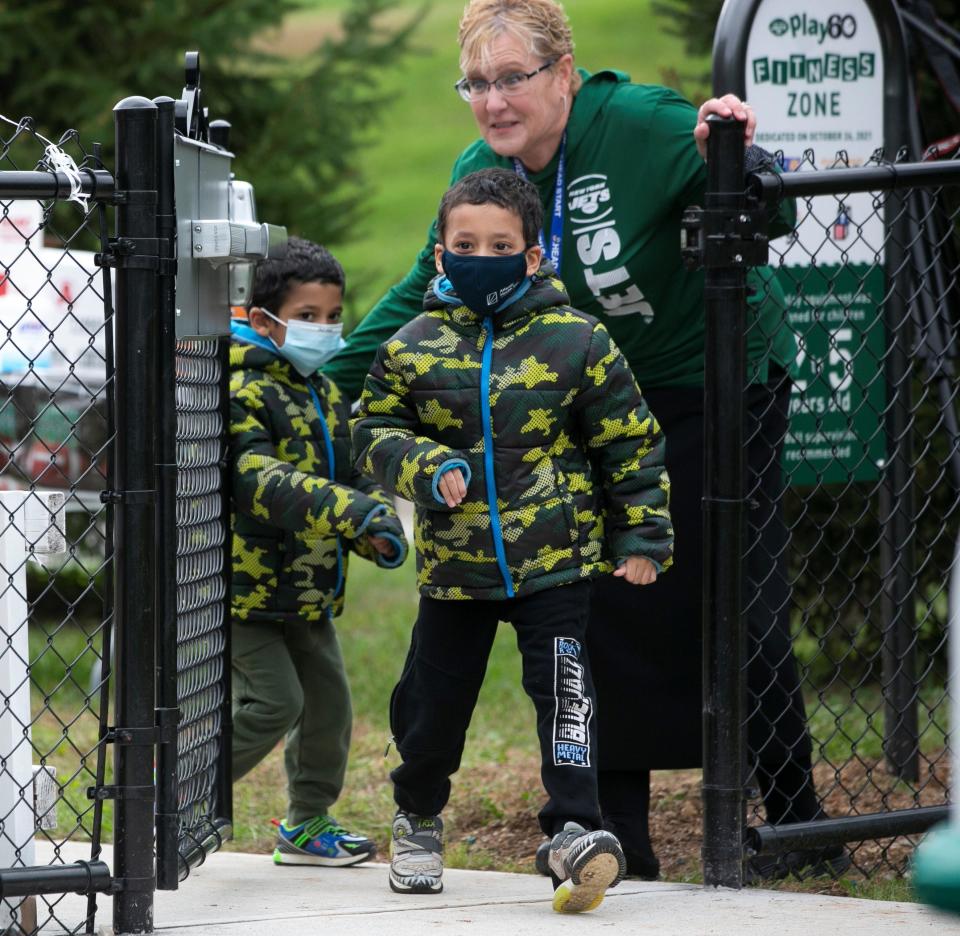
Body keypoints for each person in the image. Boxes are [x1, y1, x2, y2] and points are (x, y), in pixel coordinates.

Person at [326, 0, 843, 882]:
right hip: (593, 400)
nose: (492, 101)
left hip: (716, 381)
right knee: (600, 600)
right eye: (477, 83)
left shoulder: (636, 120)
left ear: (564, 74)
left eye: (512, 78)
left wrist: (733, 150)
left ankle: (798, 823)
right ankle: (616, 837)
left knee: (735, 594)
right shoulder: (481, 171)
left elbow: (769, 208)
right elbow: (424, 291)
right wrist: (320, 380)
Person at [351, 168, 674, 911]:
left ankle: (572, 831)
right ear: (441, 254)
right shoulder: (412, 346)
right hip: (454, 572)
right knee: (431, 709)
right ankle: (419, 816)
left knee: (566, 699)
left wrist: (643, 537)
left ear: (532, 256)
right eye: (464, 243)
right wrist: (425, 466)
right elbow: (370, 431)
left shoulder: (578, 339)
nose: (480, 255)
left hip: (553, 567)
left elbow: (630, 442)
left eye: (499, 244)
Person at [229, 237, 408, 868]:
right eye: (308, 317)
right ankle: (177, 795)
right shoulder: (243, 389)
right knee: (277, 701)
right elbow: (252, 476)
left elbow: (348, 470)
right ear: (262, 321)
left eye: (333, 317)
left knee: (330, 705)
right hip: (244, 590)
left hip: (306, 588)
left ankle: (306, 824)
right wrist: (347, 508)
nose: (325, 330)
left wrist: (372, 521)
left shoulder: (323, 390)